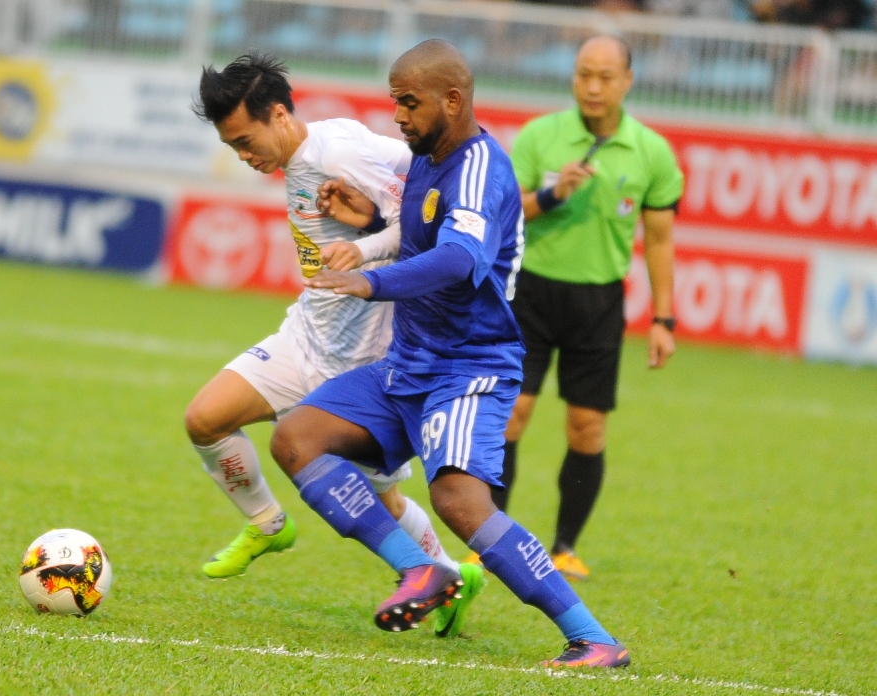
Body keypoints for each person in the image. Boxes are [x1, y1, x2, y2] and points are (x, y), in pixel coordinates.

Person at [270, 39, 630, 668]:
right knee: (297, 438)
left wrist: (371, 280)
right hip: (409, 361)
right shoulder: (430, 159)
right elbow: (423, 235)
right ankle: (422, 572)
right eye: (395, 104)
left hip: (469, 367)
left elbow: (461, 258)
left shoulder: (480, 166)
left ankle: (593, 637)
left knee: (459, 503)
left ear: (452, 99)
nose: (399, 117)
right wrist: (368, 232)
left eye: (408, 104)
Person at [185, 53, 484, 635]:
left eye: (247, 141)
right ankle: (267, 524)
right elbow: (406, 161)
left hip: (364, 360)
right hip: (305, 336)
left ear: (278, 113)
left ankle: (448, 576)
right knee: (205, 420)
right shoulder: (323, 142)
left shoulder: (335, 154)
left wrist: (368, 244)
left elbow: (424, 223)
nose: (246, 157)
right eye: (233, 149)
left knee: (381, 502)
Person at [491, 35, 684, 582]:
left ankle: (565, 547)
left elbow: (661, 240)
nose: (593, 86)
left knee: (587, 429)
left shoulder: (651, 153)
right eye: (583, 74)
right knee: (511, 417)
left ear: (628, 81)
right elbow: (504, 213)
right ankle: (491, 539)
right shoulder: (541, 136)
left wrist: (664, 320)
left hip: (598, 302)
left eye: (605, 76)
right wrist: (551, 196)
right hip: (529, 293)